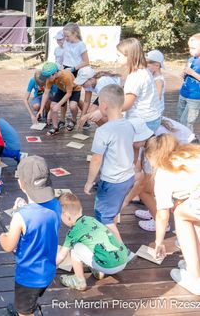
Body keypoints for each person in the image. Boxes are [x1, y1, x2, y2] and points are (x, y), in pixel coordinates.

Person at [0, 156, 61, 316]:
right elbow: (40, 216)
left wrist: (2, 235)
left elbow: (8, 246)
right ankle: (28, 305)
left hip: (28, 277)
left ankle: (25, 311)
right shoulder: (55, 205)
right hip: (48, 270)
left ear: (21, 183)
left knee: (24, 312)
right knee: (30, 299)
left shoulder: (21, 217)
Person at [145, 134, 200, 295]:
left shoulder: (163, 173)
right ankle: (194, 264)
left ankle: (195, 278)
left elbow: (162, 215)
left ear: (153, 157)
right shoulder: (190, 152)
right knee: (192, 217)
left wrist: (159, 241)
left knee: (180, 214)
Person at [83, 85, 136, 241]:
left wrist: (89, 182)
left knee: (104, 218)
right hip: (128, 177)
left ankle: (120, 251)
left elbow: (96, 159)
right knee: (111, 213)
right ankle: (109, 241)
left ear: (104, 105)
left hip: (112, 181)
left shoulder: (104, 131)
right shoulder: (129, 124)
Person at [57, 193, 130, 291]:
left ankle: (79, 280)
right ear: (80, 209)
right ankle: (99, 271)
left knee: (74, 247)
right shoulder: (91, 219)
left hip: (108, 266)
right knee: (90, 242)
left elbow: (61, 256)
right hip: (123, 259)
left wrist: (48, 267)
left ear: (66, 216)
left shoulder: (73, 232)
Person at [116, 38, 161, 131]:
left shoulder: (135, 77)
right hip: (151, 118)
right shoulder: (143, 70)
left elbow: (127, 105)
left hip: (143, 121)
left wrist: (106, 110)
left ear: (129, 56)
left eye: (118, 55)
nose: (116, 58)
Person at [38, 61, 82, 134]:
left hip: (74, 89)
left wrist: (58, 105)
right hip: (61, 89)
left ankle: (74, 120)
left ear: (54, 73)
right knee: (52, 105)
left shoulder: (66, 76)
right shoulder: (50, 78)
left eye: (48, 77)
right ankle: (55, 128)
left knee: (73, 106)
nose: (47, 79)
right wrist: (41, 109)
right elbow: (45, 93)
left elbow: (69, 93)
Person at [178, 33, 200, 130]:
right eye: (190, 48)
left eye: (193, 48)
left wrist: (192, 73)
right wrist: (184, 73)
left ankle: (187, 141)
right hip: (184, 93)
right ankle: (182, 138)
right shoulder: (191, 59)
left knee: (187, 122)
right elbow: (186, 70)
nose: (190, 51)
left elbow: (193, 73)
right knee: (180, 119)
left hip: (195, 97)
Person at [146, 49, 166, 116]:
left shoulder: (158, 80)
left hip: (156, 111)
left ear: (157, 65)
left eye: (148, 66)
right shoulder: (152, 75)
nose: (146, 67)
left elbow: (157, 97)